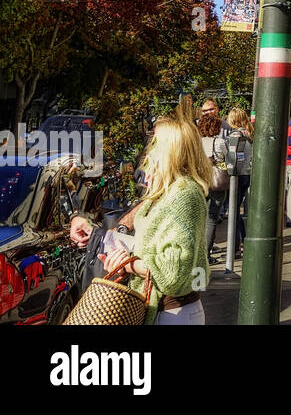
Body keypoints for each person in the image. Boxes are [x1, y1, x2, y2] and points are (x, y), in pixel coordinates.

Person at [98, 117, 212, 325]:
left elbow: (170, 275)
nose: (148, 152)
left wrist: (129, 264)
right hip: (163, 310)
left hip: (173, 314)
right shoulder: (169, 192)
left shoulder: (184, 195)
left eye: (155, 143)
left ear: (172, 150)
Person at [215, 107, 253, 257]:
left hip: (236, 176)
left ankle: (235, 247)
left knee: (234, 211)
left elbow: (231, 159)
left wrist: (225, 168)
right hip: (246, 174)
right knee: (236, 210)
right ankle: (243, 241)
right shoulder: (249, 134)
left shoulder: (235, 136)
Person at [196, 111, 226, 261]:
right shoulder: (219, 142)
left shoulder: (197, 142)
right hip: (216, 182)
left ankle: (199, 253)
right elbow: (226, 160)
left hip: (200, 182)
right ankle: (206, 256)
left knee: (200, 218)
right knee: (212, 218)